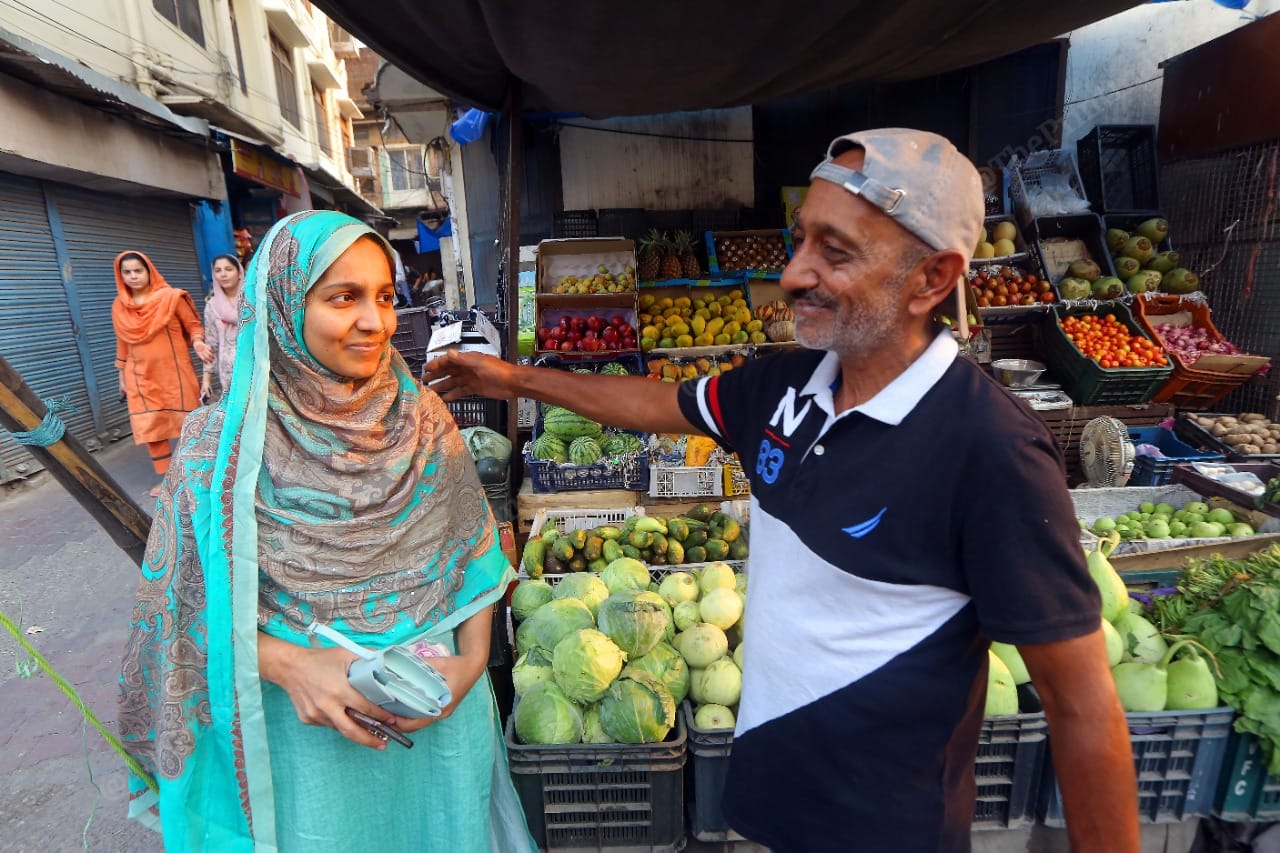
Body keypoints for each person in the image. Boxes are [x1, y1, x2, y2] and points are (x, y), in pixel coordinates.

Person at [425, 129, 1141, 852]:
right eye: (801, 242)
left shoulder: (992, 451)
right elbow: (655, 403)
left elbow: (1082, 708)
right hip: (772, 807)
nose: (795, 273)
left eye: (835, 250)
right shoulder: (787, 385)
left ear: (932, 277)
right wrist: (513, 380)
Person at [117, 211, 534, 851]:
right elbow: (180, 615)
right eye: (344, 297)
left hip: (437, 721)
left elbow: (471, 550)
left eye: (385, 297)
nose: (376, 322)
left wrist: (473, 661)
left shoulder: (422, 420)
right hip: (301, 736)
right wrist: (291, 665)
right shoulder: (217, 451)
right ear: (284, 304)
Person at [112, 251, 214, 497]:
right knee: (151, 429)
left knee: (188, 425)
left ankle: (192, 476)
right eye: (127, 272)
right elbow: (123, 344)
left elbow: (193, 326)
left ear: (149, 271)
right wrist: (122, 377)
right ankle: (169, 479)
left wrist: (199, 343)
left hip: (175, 374)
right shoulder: (120, 307)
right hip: (140, 377)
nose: (133, 276)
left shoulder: (171, 298)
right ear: (120, 276)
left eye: (138, 270)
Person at [199, 253, 244, 404]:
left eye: (228, 269)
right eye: (218, 270)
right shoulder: (212, 306)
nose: (223, 274)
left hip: (260, 371)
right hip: (229, 376)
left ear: (239, 272)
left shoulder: (254, 300)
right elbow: (211, 344)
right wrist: (206, 381)